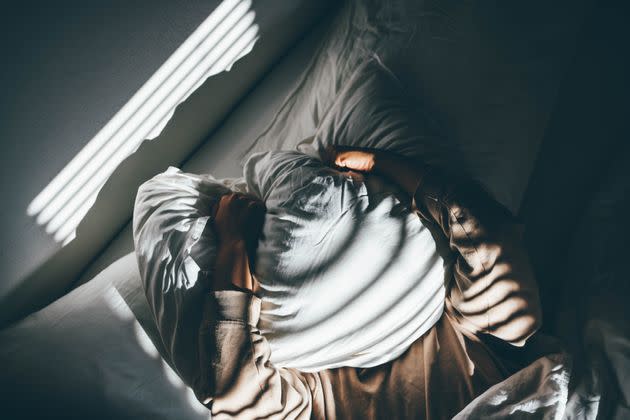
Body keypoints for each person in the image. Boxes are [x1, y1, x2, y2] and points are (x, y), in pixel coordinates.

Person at [135, 147, 544, 419]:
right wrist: (379, 163)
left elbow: (237, 392)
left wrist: (232, 247)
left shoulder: (317, 398)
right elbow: (483, 230)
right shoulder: (497, 340)